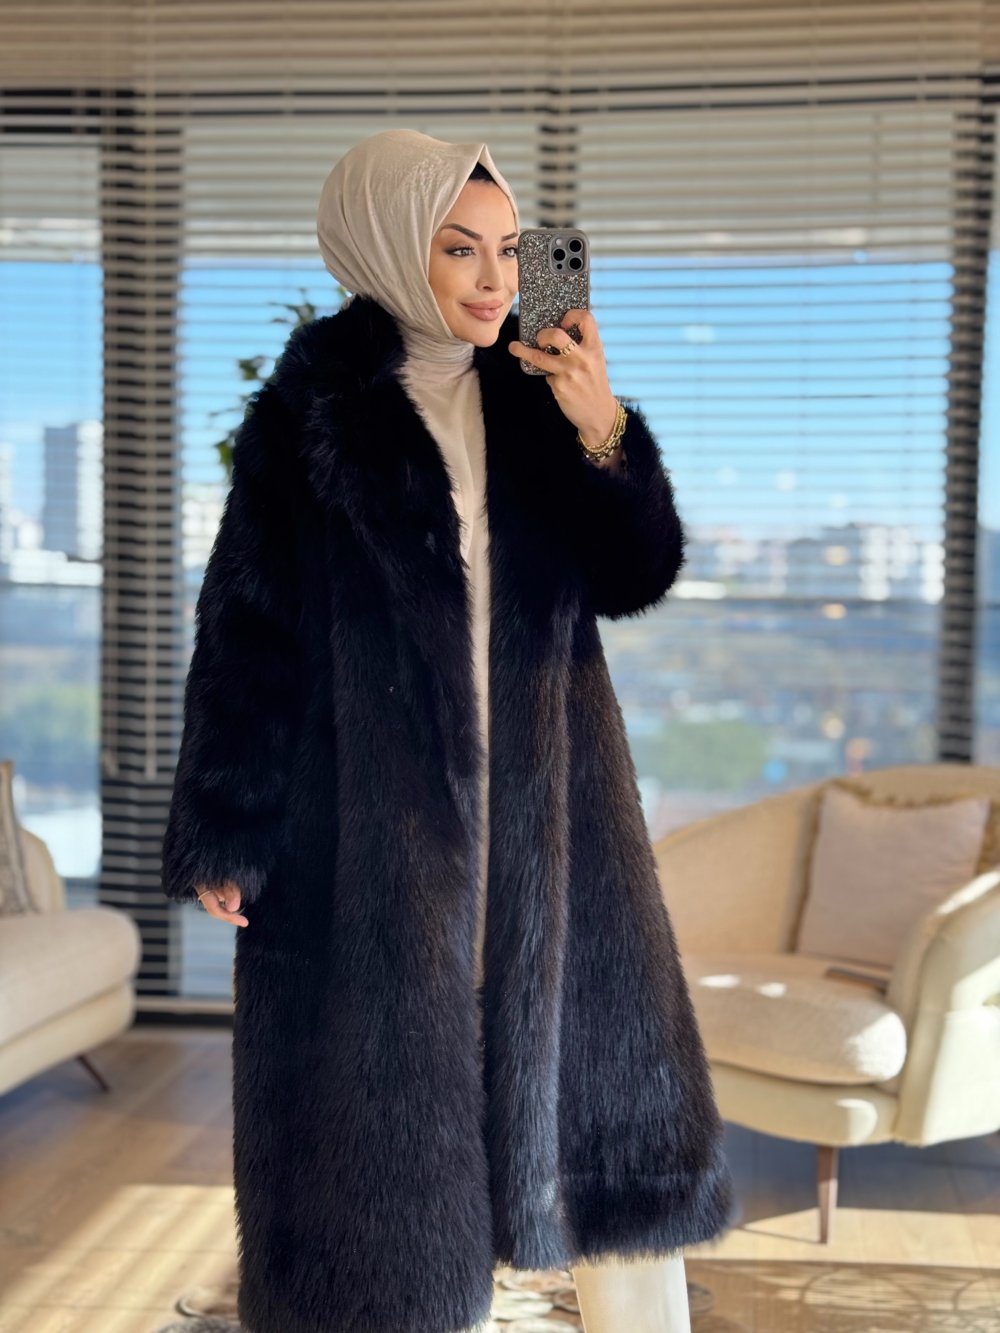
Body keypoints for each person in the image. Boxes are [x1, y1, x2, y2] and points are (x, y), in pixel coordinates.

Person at [161, 128, 732, 1333]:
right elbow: (248, 632)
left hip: (552, 812)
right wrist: (226, 826)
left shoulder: (538, 400)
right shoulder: (307, 421)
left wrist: (600, 425)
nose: (493, 278)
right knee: (391, 1152)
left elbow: (634, 573)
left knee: (601, 1123)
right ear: (383, 245)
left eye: (509, 251)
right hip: (370, 826)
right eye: (459, 248)